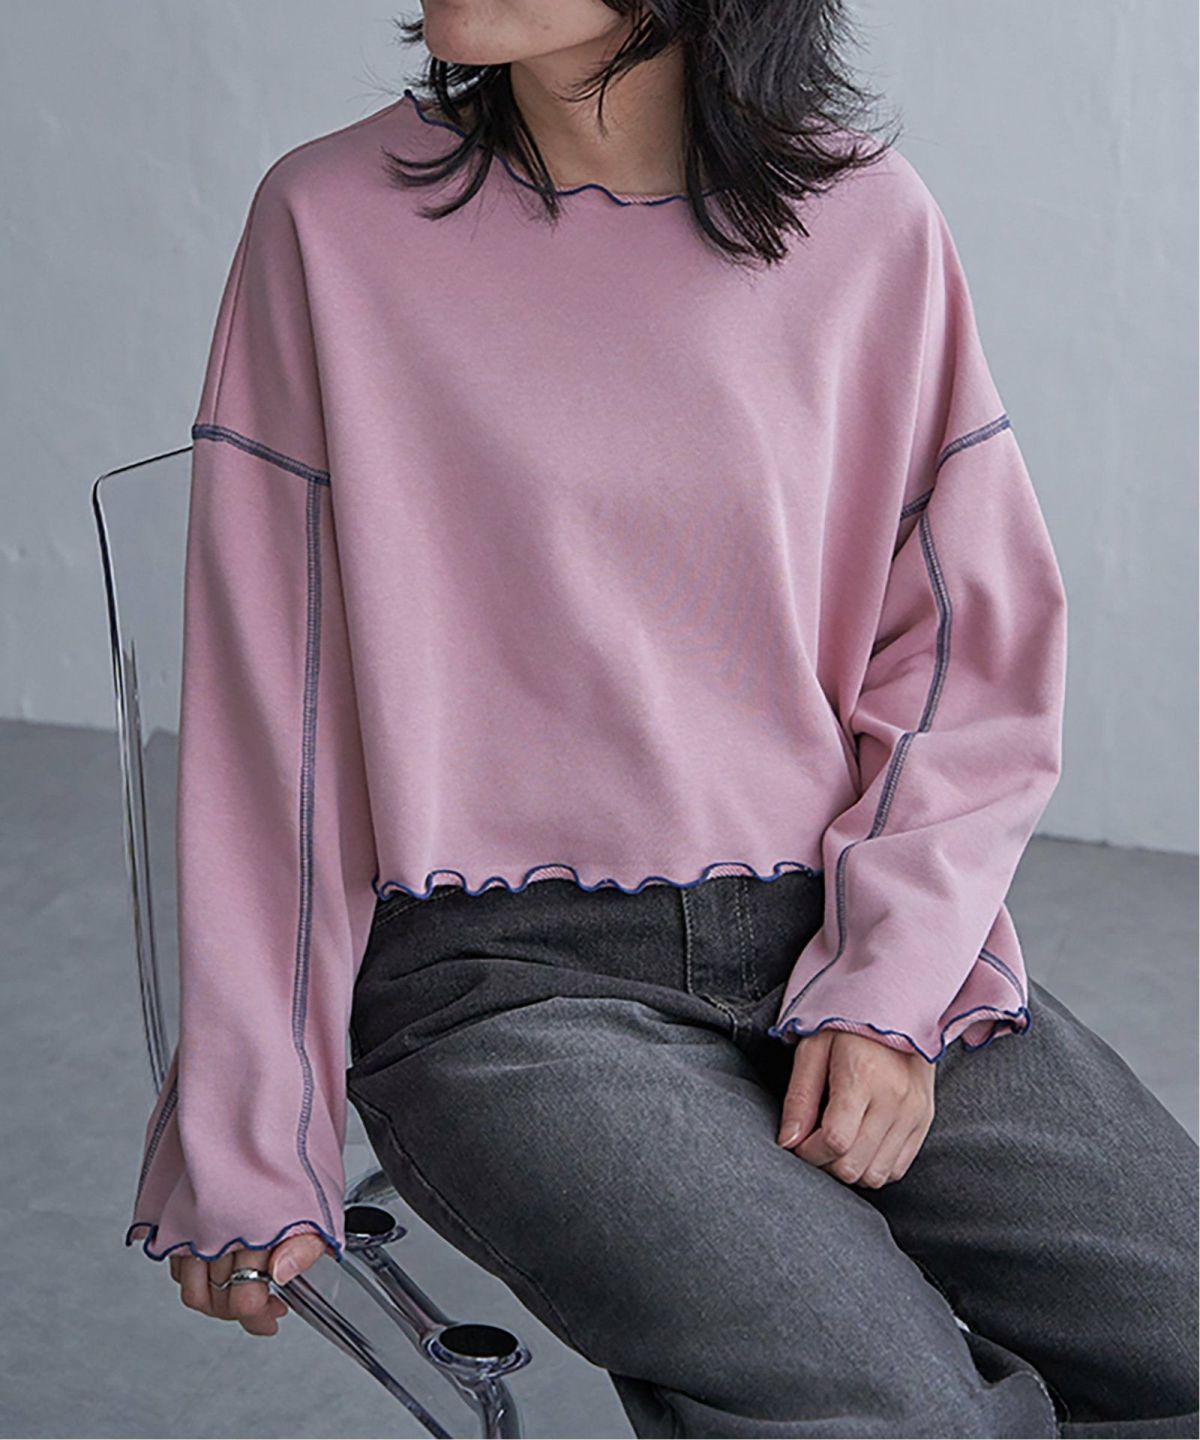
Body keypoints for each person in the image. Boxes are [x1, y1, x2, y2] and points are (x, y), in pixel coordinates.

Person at [124, 3, 1198, 1436]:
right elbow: (279, 717)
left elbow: (963, 654)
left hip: (835, 922)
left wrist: (886, 986)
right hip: (504, 981)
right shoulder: (327, 222)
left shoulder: (864, 219)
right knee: (888, 1411)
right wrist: (252, 1130)